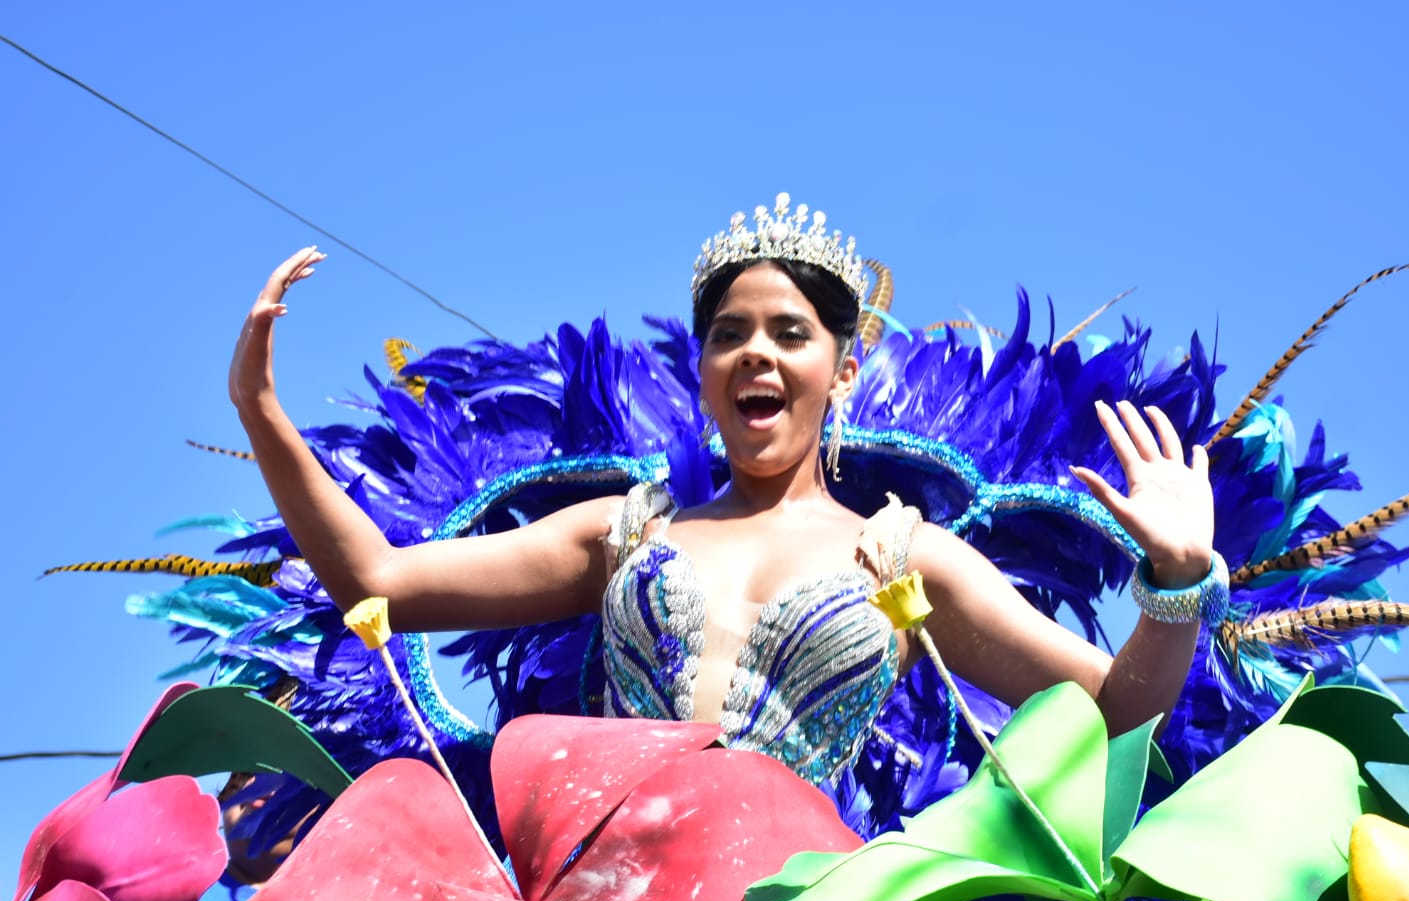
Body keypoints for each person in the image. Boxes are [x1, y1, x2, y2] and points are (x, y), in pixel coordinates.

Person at [227, 194, 1221, 784]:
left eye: (790, 334)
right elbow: (378, 580)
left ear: (840, 370)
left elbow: (1118, 713)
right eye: (729, 334)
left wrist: (1175, 582)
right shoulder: (624, 535)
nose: (756, 353)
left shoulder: (903, 556)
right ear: (703, 370)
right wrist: (261, 410)